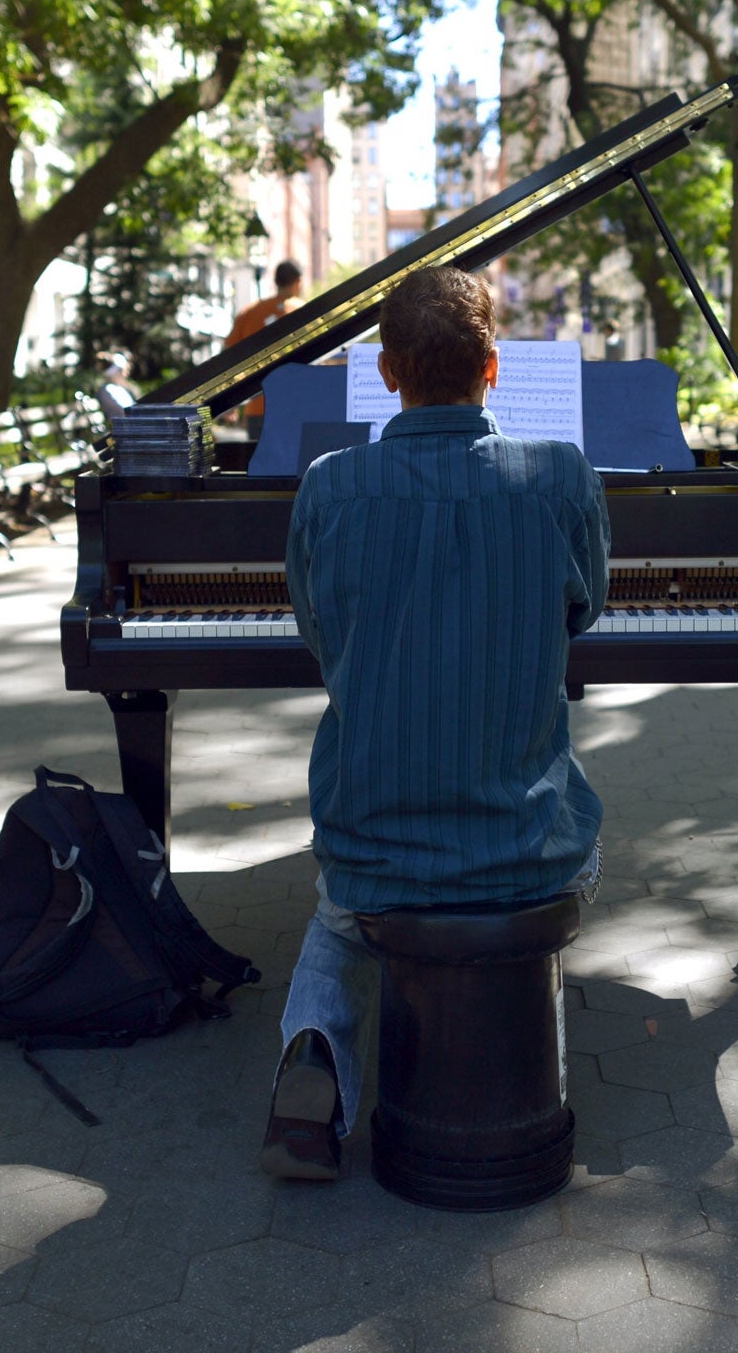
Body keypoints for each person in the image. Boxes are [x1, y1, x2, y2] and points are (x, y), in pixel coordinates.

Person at [261, 266, 609, 1181]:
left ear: (384, 372)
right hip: (526, 844)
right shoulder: (561, 477)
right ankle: (526, 1052)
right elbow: (584, 612)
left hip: (374, 839)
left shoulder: (331, 488)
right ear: (493, 368)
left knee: (340, 909)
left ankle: (314, 1074)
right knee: (588, 831)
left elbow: (320, 637)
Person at [224, 260, 305, 441]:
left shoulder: (250, 313)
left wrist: (230, 401)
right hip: (294, 405)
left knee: (260, 466)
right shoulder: (303, 311)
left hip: (258, 405)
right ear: (298, 282)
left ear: (275, 281)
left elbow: (229, 357)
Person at [96, 351, 137, 419]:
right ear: (119, 370)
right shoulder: (110, 389)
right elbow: (127, 412)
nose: (127, 373)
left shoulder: (118, 388)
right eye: (125, 370)